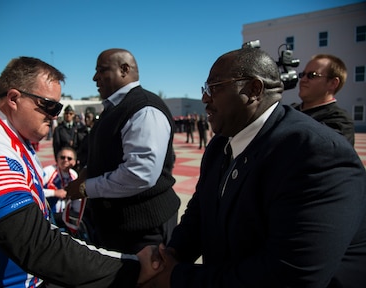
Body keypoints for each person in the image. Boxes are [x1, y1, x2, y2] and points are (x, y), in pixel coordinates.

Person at [145, 47, 366, 287]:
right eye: (205, 89)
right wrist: (172, 254)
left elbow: (291, 275)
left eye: (215, 87)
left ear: (253, 89)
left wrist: (177, 279)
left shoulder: (316, 154)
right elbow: (201, 209)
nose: (205, 98)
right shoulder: (221, 143)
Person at [0, 56, 161, 287]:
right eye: (50, 105)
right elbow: (36, 244)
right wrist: (133, 268)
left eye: (59, 108)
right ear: (14, 98)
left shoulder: (15, 140)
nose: (55, 116)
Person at [66, 48, 181, 255]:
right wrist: (87, 170)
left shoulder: (144, 109)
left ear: (124, 70)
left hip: (143, 231)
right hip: (119, 229)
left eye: (101, 70)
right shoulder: (115, 108)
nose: (95, 78)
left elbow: (139, 174)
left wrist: (85, 188)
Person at [292, 54, 355, 145]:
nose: (303, 80)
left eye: (312, 75)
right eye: (303, 74)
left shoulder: (340, 121)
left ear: (333, 83)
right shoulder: (290, 110)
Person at [43, 146, 78, 229]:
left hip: (66, 215)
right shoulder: (48, 171)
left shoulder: (74, 175)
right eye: (62, 157)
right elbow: (35, 190)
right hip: (49, 214)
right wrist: (54, 193)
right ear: (57, 159)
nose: (65, 160)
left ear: (74, 162)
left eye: (69, 158)